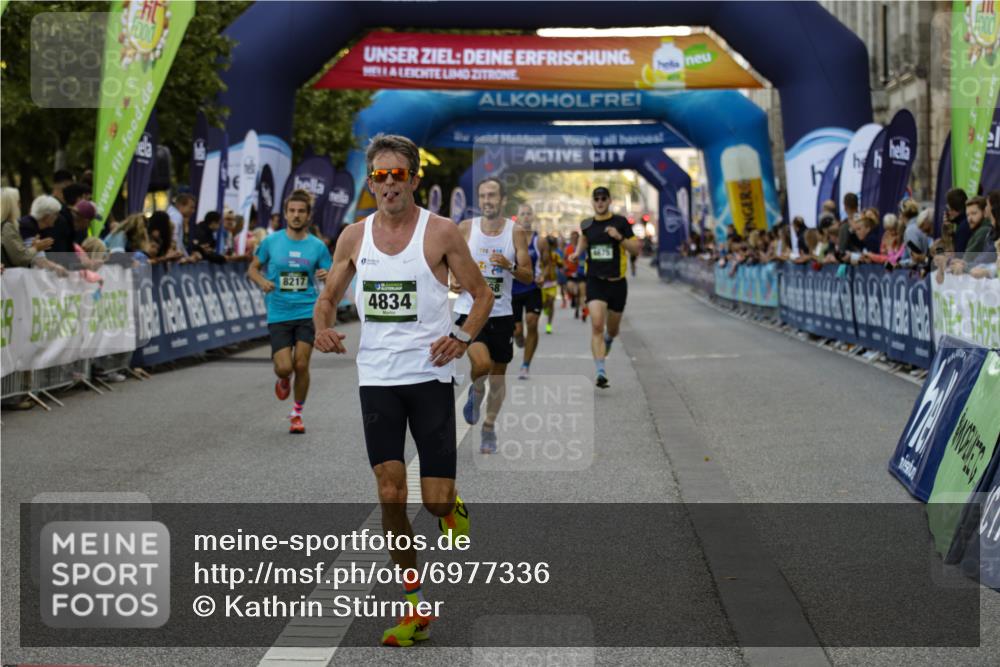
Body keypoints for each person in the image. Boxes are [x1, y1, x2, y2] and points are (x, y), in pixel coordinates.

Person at [313, 133, 491, 647]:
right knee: (390, 492)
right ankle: (414, 607)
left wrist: (461, 338)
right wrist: (322, 327)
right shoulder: (353, 237)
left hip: (430, 377)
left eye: (398, 175)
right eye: (380, 175)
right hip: (378, 378)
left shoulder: (441, 233)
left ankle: (451, 506)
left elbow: (480, 295)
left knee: (433, 502)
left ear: (414, 179)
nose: (389, 184)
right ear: (371, 182)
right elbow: (328, 297)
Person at [453, 177, 533, 453]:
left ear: (502, 199)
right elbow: (449, 261)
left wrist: (510, 266)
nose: (487, 200)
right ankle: (476, 391)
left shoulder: (515, 232)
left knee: (498, 378)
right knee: (482, 364)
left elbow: (528, 276)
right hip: (469, 311)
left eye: (492, 195)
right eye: (483, 196)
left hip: (501, 314)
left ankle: (488, 426)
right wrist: (453, 278)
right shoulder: (465, 228)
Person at [247, 189, 331, 434]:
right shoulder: (271, 242)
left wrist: (326, 275)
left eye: (301, 211)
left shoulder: (317, 246)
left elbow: (332, 275)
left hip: (307, 312)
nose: (296, 215)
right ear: (285, 214)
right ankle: (283, 379)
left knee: (302, 365)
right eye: (292, 211)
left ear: (308, 216)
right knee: (285, 367)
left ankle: (297, 413)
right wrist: (262, 281)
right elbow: (252, 268)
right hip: (279, 312)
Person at [568, 187, 640, 388]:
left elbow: (636, 249)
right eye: (596, 199)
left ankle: (609, 339)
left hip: (617, 283)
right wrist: (577, 253)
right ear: (592, 202)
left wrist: (619, 237)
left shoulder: (621, 222)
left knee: (613, 329)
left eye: (603, 199)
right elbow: (584, 239)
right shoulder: (587, 224)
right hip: (595, 281)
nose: (599, 202)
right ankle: (600, 370)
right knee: (597, 324)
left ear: (609, 201)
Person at [510, 203, 547, 380]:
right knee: (517, 330)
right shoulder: (510, 239)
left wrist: (543, 275)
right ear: (517, 217)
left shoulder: (540, 241)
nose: (525, 216)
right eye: (522, 213)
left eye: (528, 213)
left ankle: (525, 365)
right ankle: (519, 337)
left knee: (532, 322)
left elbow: (547, 264)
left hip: (532, 287)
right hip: (513, 290)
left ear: (533, 217)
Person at [563, 230, 587, 320]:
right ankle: (574, 301)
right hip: (570, 274)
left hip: (581, 274)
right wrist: (565, 267)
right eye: (572, 237)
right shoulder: (567, 248)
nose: (574, 239)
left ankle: (583, 311)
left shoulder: (582, 247)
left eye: (576, 237)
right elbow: (564, 260)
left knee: (582, 294)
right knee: (574, 291)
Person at [167, 193, 197, 258]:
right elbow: (174, 239)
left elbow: (179, 242)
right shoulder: (177, 217)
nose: (193, 211)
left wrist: (187, 257)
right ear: (181, 205)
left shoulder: (170, 212)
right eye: (191, 207)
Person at [946, 188, 970, 252]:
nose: (948, 212)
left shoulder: (962, 228)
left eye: (948, 208)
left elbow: (959, 254)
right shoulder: (965, 222)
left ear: (953, 209)